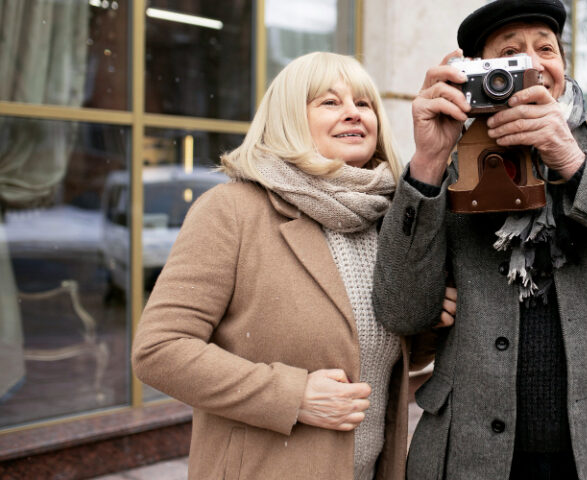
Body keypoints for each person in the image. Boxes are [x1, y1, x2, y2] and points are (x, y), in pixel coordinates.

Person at [372, 1, 587, 479]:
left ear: (563, 64)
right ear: (476, 73)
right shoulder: (450, 155)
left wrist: (574, 163)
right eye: (509, 55)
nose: (532, 65)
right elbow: (402, 312)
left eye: (545, 49)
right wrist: (428, 163)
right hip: (477, 456)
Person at [132, 52, 454, 480]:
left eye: (364, 103)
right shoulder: (231, 211)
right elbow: (159, 350)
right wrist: (293, 394)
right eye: (329, 102)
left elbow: (371, 356)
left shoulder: (389, 218)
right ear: (288, 118)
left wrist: (427, 326)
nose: (353, 114)